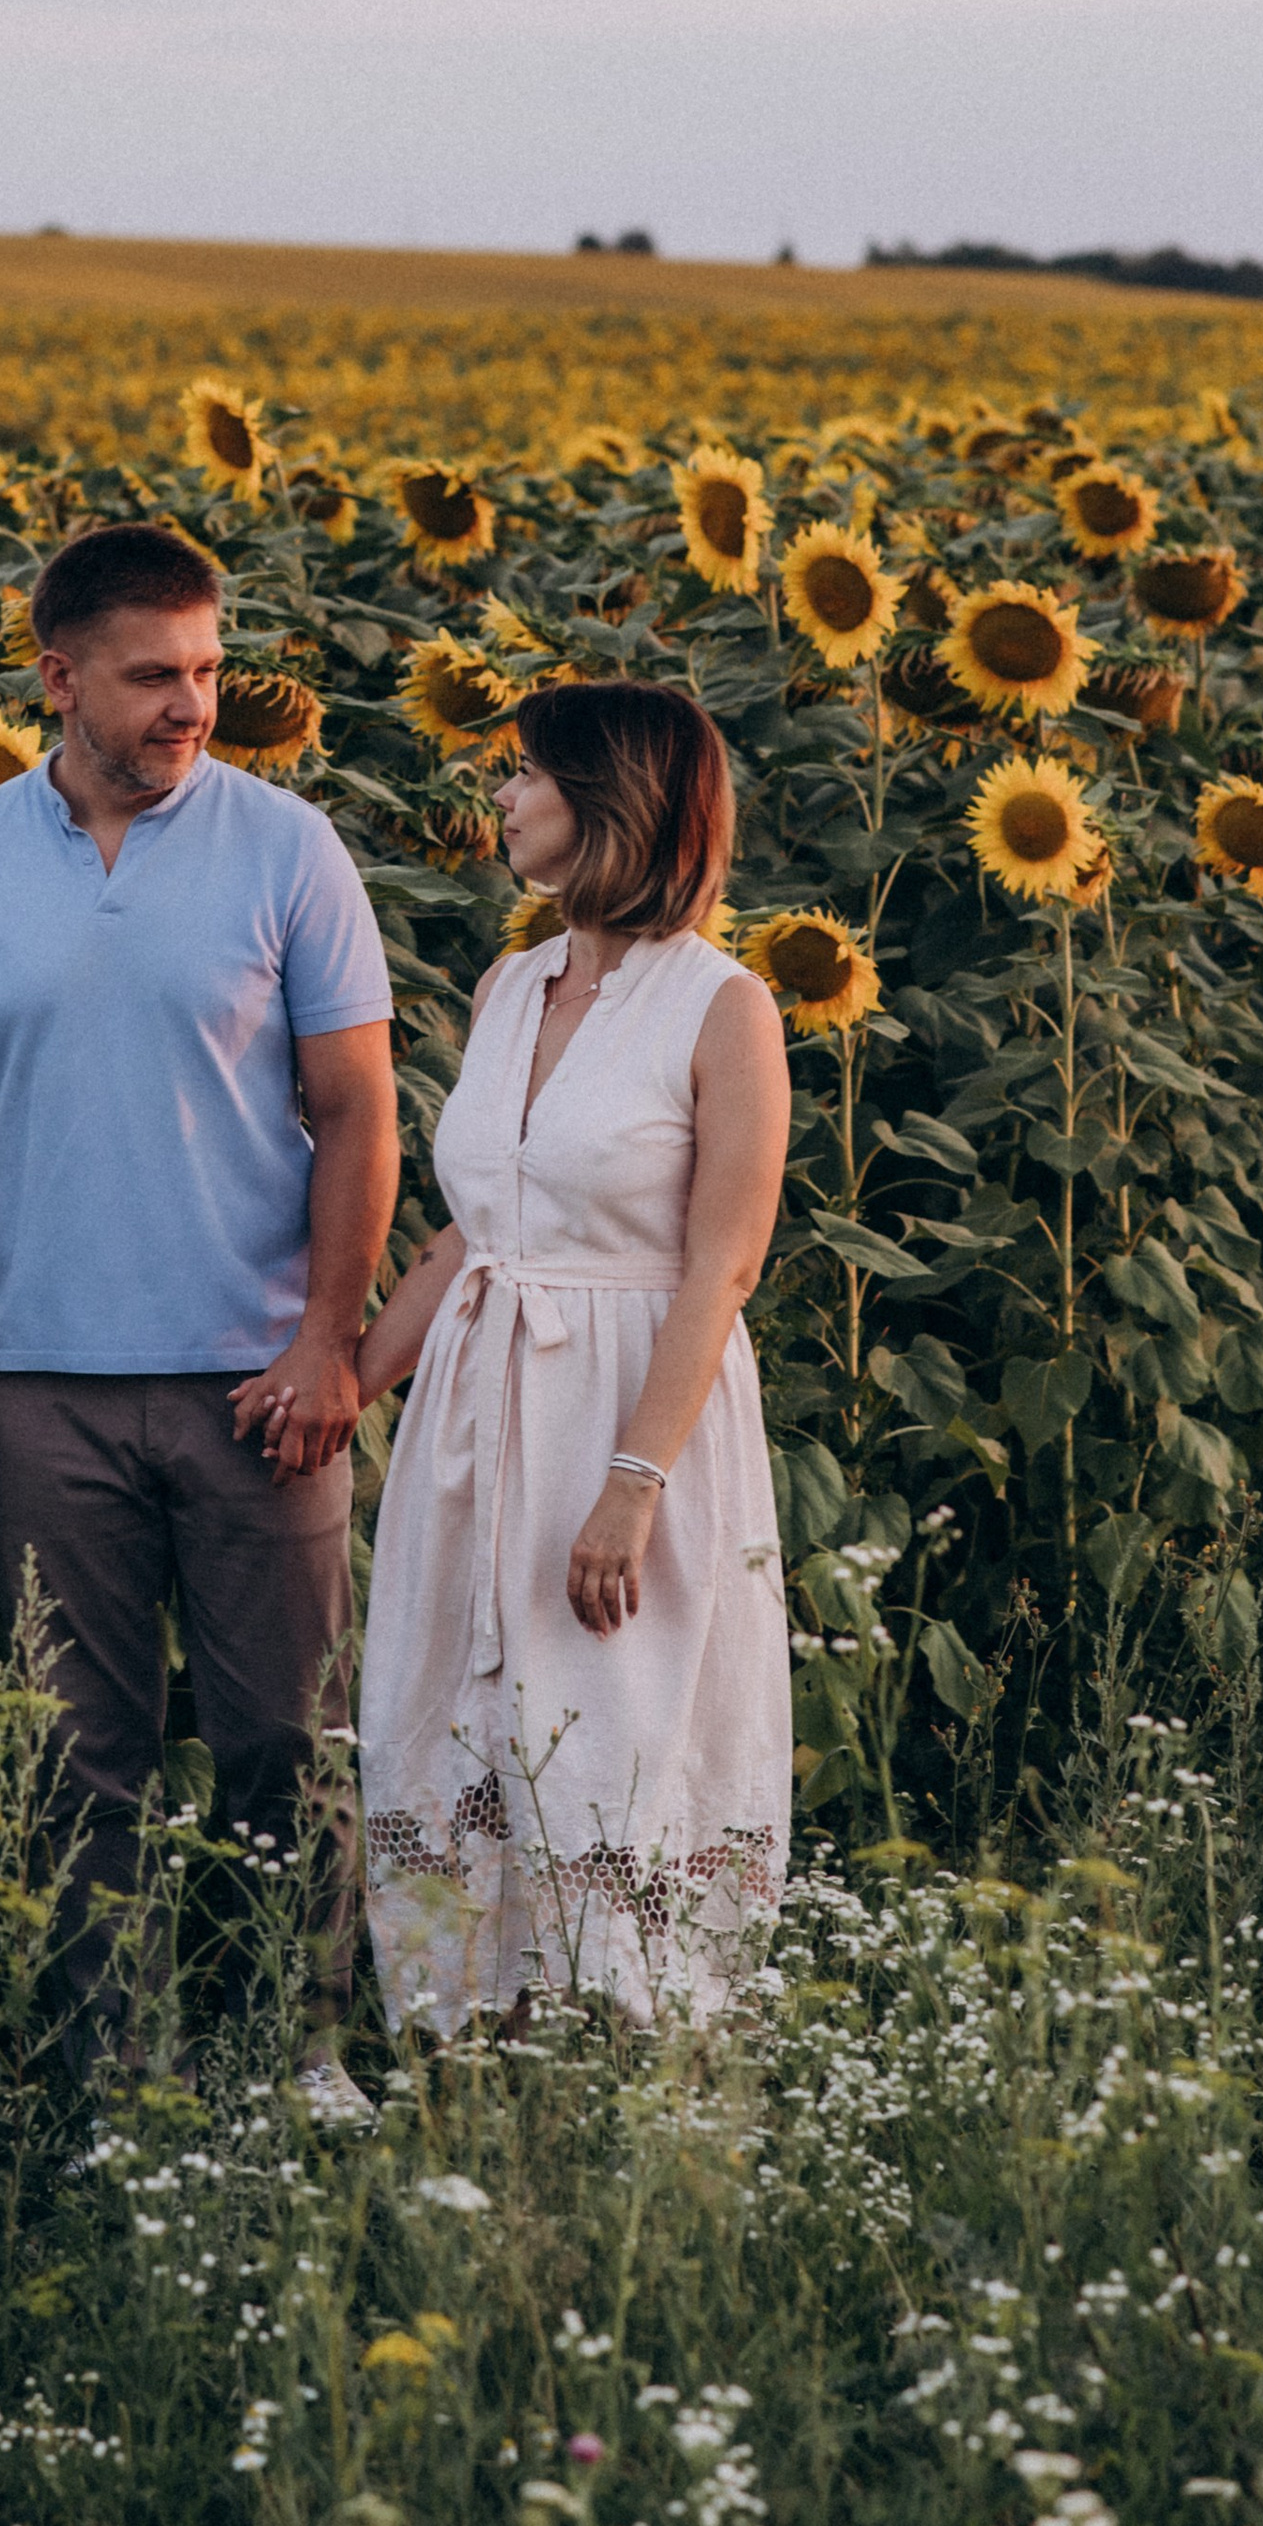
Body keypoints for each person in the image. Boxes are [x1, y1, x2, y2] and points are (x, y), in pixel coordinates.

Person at [0, 519, 400, 2113]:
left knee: (285, 1745)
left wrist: (328, 1341)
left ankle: (295, 2060)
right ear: (58, 679)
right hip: (38, 1385)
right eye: (156, 675)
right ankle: (113, 2089)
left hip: (258, 1381)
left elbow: (358, 1111)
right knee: (73, 1760)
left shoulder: (289, 849)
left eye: (210, 670)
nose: (194, 705)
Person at [353, 680, 793, 2037]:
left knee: (616, 1727)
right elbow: (474, 1232)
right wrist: (344, 1386)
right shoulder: (511, 984)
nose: (502, 794)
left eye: (529, 772)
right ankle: (469, 2036)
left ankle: (637, 2045)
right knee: (456, 1717)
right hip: (478, 1415)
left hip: (629, 1411)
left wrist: (632, 1482)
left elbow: (722, 1266)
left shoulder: (723, 1007)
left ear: (612, 802)